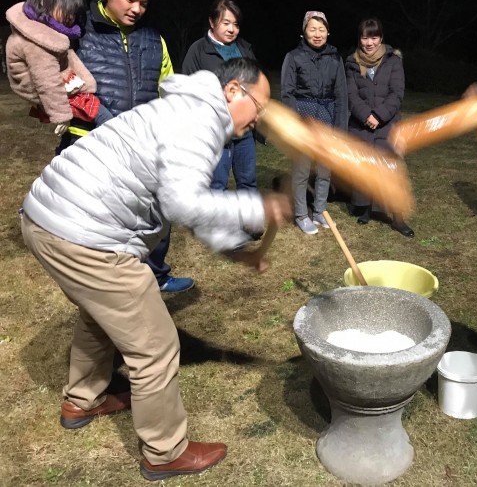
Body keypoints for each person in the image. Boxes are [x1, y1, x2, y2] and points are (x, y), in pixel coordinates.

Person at [21, 57, 291, 481]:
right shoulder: (201, 120)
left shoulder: (187, 108)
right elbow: (184, 204)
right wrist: (259, 206)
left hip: (48, 217)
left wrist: (238, 250)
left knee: (101, 312)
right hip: (83, 233)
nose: (258, 119)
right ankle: (165, 452)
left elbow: (181, 201)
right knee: (155, 346)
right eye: (259, 106)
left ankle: (83, 399)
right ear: (233, 91)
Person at [70, 0, 193, 294]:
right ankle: (106, 289)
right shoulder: (79, 32)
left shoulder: (153, 39)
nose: (137, 9)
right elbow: (62, 80)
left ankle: (156, 276)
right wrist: (100, 117)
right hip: (92, 143)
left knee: (157, 214)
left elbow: (168, 88)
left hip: (144, 144)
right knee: (102, 224)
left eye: (143, 3)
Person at [5, 0, 112, 135]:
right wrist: (61, 115)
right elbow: (47, 81)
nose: (71, 17)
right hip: (59, 94)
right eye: (66, 9)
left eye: (73, 12)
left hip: (62, 90)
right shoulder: (38, 41)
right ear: (45, 2)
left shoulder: (43, 31)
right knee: (106, 119)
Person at [345, 17, 414, 237]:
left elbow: (397, 93)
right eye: (365, 37)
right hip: (361, 125)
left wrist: (379, 115)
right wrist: (366, 115)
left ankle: (398, 217)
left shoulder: (393, 61)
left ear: (381, 38)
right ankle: (366, 209)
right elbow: (351, 95)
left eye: (374, 37)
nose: (369, 42)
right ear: (360, 39)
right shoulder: (352, 63)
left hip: (387, 124)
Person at [281, 10, 348, 235]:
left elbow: (341, 95)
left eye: (321, 29)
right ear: (304, 31)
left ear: (328, 32)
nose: (317, 34)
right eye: (312, 29)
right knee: (302, 169)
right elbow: (287, 93)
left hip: (327, 116)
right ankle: (301, 214)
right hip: (303, 115)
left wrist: (340, 128)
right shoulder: (294, 57)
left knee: (324, 169)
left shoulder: (335, 58)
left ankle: (320, 210)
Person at [183, 0, 259, 193]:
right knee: (216, 186)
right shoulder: (198, 50)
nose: (232, 29)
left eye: (236, 24)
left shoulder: (244, 49)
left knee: (248, 183)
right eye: (226, 23)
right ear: (212, 21)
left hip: (244, 133)